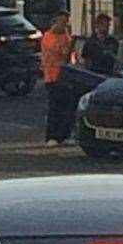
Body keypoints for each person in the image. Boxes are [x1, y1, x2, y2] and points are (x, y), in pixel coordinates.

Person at [41, 10, 74, 147]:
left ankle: (64, 134)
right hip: (52, 76)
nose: (63, 25)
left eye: (65, 22)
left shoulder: (66, 37)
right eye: (61, 21)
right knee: (54, 108)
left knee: (67, 107)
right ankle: (52, 136)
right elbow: (55, 51)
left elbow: (70, 54)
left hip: (65, 76)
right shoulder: (48, 36)